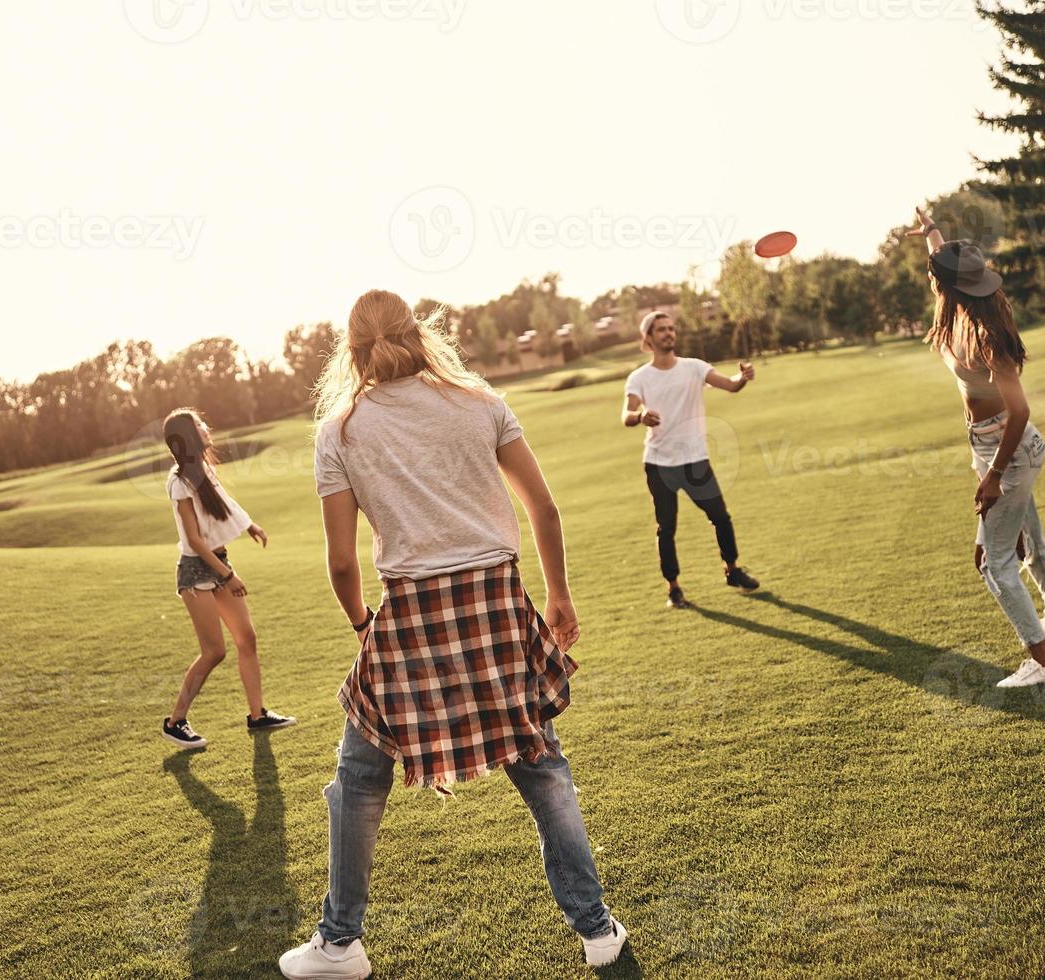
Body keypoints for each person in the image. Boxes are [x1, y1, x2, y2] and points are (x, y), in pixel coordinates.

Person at [278, 290, 626, 979]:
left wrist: (361, 627)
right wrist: (556, 594)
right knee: (542, 766)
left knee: (358, 779)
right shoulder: (478, 400)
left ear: (350, 353)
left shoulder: (340, 431)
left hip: (409, 613)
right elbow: (544, 509)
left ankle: (340, 944)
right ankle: (596, 931)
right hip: (496, 602)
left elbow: (343, 561)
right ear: (419, 334)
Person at [907, 207, 1045, 688]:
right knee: (1028, 539)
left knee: (991, 560)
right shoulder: (959, 309)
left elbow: (1021, 410)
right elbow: (943, 261)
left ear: (941, 286)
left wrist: (992, 476)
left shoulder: (987, 334)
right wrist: (931, 232)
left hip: (1009, 450)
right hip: (987, 445)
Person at [160, 408, 295, 749]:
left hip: (219, 563)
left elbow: (224, 503)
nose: (207, 427)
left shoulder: (204, 470)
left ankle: (257, 715)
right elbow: (193, 540)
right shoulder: (179, 482)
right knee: (214, 651)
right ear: (189, 436)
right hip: (197, 571)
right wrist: (228, 575)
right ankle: (175, 722)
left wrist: (249, 525)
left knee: (246, 638)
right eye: (199, 424)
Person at [622, 310, 760, 609]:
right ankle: (673, 588)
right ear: (649, 338)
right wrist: (641, 415)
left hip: (695, 460)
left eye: (671, 328)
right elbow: (627, 415)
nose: (669, 333)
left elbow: (731, 385)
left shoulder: (694, 368)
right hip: (659, 463)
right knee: (666, 527)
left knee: (721, 517)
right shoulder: (640, 378)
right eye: (661, 330)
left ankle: (733, 570)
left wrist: (743, 377)